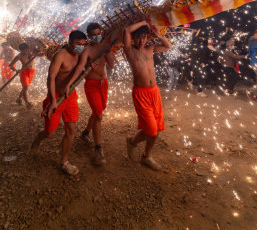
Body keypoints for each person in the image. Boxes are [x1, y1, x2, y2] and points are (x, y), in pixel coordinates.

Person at [31, 30, 87, 176]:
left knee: (71, 130)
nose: (81, 47)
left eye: (83, 44)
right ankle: (38, 139)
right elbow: (50, 78)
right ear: (69, 43)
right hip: (55, 97)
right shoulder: (60, 55)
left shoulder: (81, 54)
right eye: (77, 44)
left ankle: (64, 161)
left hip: (71, 97)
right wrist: (53, 101)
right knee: (49, 133)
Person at [123, 21, 172, 171]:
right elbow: (126, 30)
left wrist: (157, 34)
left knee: (157, 128)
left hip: (154, 92)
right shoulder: (129, 50)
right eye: (138, 37)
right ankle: (132, 142)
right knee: (150, 129)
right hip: (141, 94)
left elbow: (168, 46)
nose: (141, 40)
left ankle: (146, 156)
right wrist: (144, 22)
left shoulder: (151, 48)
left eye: (144, 37)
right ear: (133, 39)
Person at [65, 23, 115, 166]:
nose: (96, 36)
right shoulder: (86, 51)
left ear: (101, 33)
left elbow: (111, 65)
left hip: (103, 84)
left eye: (98, 34)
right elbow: (80, 67)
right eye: (93, 35)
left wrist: (108, 52)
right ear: (89, 36)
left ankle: (86, 132)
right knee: (98, 115)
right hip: (91, 85)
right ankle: (98, 148)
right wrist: (72, 81)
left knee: (98, 111)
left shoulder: (105, 47)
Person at [9, 43, 36, 109]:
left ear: (28, 49)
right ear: (21, 51)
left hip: (32, 72)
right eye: (24, 51)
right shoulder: (19, 56)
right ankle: (28, 103)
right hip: (24, 72)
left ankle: (19, 99)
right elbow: (10, 65)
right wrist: (16, 70)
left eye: (27, 50)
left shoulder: (32, 53)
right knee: (26, 87)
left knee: (25, 87)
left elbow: (41, 53)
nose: (26, 52)